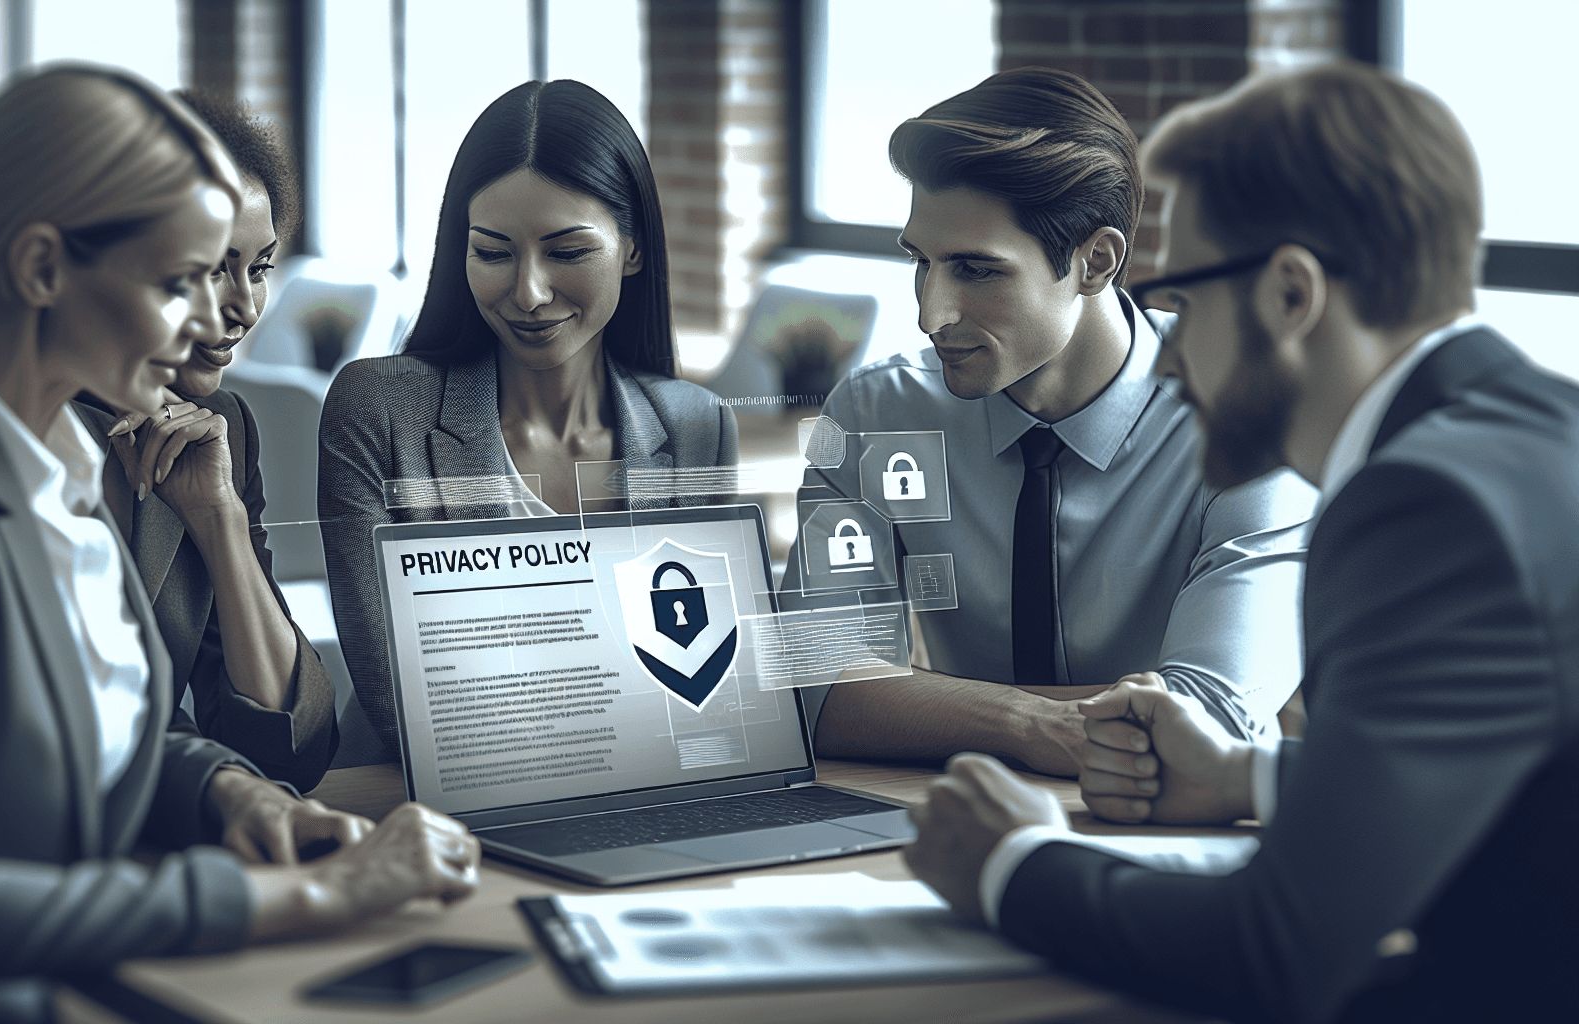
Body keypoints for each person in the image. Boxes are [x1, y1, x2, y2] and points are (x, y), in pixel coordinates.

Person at [0, 65, 479, 1024]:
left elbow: (108, 736)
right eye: (177, 281)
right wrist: (312, 896)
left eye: (241, 269)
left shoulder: (57, 469)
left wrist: (234, 796)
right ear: (40, 269)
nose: (216, 318)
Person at [904, 62, 1574, 1022]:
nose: (1168, 349)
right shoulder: (1542, 430)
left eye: (1181, 300)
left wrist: (1013, 863)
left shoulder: (1422, 505)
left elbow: (1271, 954)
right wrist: (1243, 776)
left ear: (1291, 295)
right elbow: (1514, 782)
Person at [785, 67, 1315, 776]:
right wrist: (1020, 722)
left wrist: (919, 706)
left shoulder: (1250, 420)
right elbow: (810, 686)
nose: (930, 314)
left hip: (1172, 844)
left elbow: (1210, 718)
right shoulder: (877, 413)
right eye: (922, 263)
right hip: (944, 818)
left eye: (976, 270)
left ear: (1095, 262)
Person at [319, 79, 738, 753]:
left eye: (567, 252)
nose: (529, 292)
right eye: (492, 252)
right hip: (417, 809)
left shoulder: (698, 425)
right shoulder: (379, 409)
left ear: (633, 249)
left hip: (640, 788)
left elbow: (706, 680)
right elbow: (402, 699)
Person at [71, 88, 336, 796]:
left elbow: (290, 750)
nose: (245, 308)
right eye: (213, 266)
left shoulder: (219, 431)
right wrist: (221, 793)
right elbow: (71, 736)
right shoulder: (30, 437)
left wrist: (221, 525)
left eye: (260, 268)